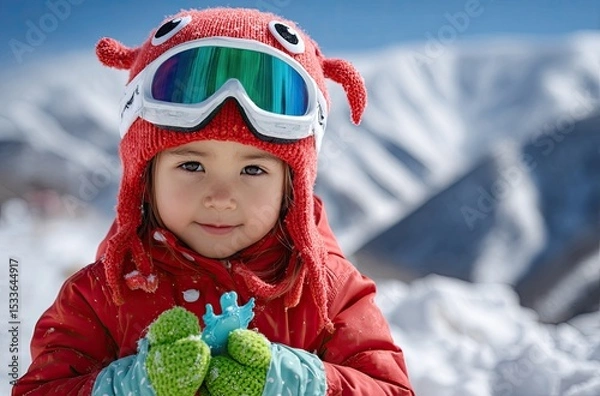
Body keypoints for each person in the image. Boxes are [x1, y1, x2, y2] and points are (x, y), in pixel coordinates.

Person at [13, 7, 414, 396]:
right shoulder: (101, 296)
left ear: (292, 187)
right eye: (191, 165)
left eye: (253, 171)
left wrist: (297, 381)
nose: (221, 198)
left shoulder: (327, 293)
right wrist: (128, 386)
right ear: (144, 178)